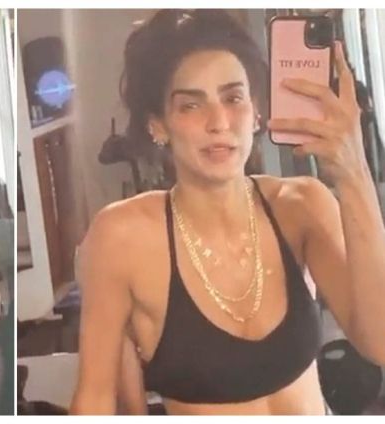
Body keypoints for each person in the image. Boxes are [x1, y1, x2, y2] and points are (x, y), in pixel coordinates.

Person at [71, 10, 385, 415]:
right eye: (190, 105)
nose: (218, 122)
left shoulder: (302, 205)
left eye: (233, 98)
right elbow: (95, 396)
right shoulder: (123, 235)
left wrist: (354, 173)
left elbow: (380, 341)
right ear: (158, 126)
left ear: (256, 112)